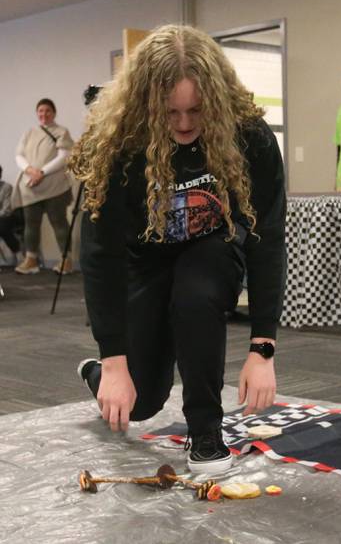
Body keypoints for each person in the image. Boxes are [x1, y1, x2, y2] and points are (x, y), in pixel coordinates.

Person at [69, 24, 287, 475]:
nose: (186, 125)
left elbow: (267, 238)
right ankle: (92, 373)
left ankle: (206, 432)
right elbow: (100, 256)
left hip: (212, 245)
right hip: (142, 259)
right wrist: (112, 361)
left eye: (197, 111)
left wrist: (263, 347)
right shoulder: (115, 145)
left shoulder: (251, 136)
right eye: (171, 113)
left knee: (197, 294)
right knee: (142, 401)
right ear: (147, 107)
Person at [12, 98, 74, 275]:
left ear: (54, 113)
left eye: (47, 110)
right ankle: (31, 260)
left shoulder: (62, 132)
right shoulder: (29, 132)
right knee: (31, 225)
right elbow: (19, 155)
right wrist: (30, 170)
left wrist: (42, 172)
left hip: (55, 187)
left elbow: (64, 156)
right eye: (40, 111)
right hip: (30, 187)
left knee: (59, 223)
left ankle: (66, 261)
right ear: (37, 113)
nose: (43, 114)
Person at [0, 165, 23, 264]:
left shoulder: (6, 187)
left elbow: (7, 210)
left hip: (8, 217)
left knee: (2, 227)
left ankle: (19, 255)